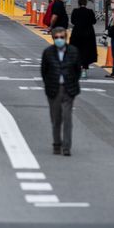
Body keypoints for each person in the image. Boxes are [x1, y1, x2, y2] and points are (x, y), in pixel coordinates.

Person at [40, 27, 81, 156]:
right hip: (54, 89)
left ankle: (67, 147)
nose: (59, 40)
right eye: (56, 38)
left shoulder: (73, 52)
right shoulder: (48, 53)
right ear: (53, 39)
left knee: (67, 118)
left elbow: (77, 70)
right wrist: (49, 84)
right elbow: (44, 71)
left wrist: (72, 83)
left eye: (62, 37)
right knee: (56, 118)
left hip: (69, 89)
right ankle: (57, 143)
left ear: (66, 38)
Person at [69, 0, 98, 77]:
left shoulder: (75, 11)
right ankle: (84, 69)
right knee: (86, 51)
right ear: (86, 2)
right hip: (88, 34)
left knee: (77, 51)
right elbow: (94, 21)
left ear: (78, 2)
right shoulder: (90, 11)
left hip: (77, 33)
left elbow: (73, 21)